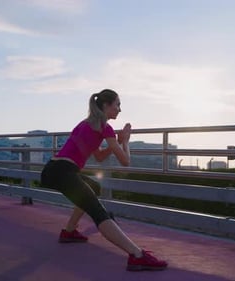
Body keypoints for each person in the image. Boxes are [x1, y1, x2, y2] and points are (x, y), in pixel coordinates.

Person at [40, 89, 168, 271]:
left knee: (92, 187)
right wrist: (124, 141)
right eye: (117, 105)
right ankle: (136, 255)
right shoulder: (105, 127)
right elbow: (125, 161)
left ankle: (69, 232)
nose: (119, 110)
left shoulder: (85, 124)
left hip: (53, 169)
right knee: (98, 212)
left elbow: (99, 156)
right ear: (106, 106)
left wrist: (114, 142)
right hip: (64, 172)